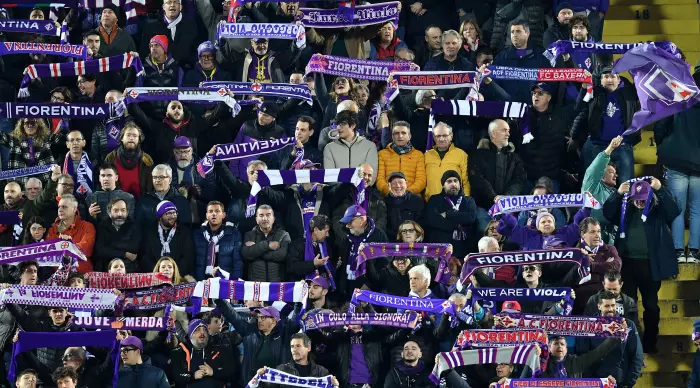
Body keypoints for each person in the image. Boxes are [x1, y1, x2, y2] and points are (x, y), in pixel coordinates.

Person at [603, 178, 681, 353]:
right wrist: (617, 194)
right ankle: (632, 344)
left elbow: (674, 210)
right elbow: (607, 213)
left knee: (651, 306)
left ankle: (650, 343)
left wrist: (660, 189)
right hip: (628, 265)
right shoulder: (625, 209)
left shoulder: (658, 210)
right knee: (629, 306)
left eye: (643, 198)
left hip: (651, 266)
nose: (639, 201)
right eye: (636, 198)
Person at [654, 71, 700, 263]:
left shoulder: (676, 98)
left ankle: (679, 251)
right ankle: (696, 252)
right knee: (697, 209)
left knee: (678, 208)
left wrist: (663, 144)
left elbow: (660, 125)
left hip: (676, 161)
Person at [574, 66, 640, 185]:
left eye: (613, 76)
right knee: (589, 185)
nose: (609, 80)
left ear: (619, 79)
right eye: (606, 77)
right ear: (600, 80)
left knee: (626, 187)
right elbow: (578, 108)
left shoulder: (629, 92)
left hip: (622, 146)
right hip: (597, 145)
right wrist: (584, 88)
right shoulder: (594, 91)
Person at [213, 302, 301, 385]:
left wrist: (299, 299)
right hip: (252, 384)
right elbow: (232, 315)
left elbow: (296, 317)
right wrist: (218, 296)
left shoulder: (285, 334)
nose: (259, 320)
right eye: (258, 317)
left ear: (274, 320)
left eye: (263, 317)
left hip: (277, 384)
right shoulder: (250, 332)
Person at [575, 291, 643, 387]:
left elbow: (637, 356)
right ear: (599, 306)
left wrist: (628, 383)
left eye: (613, 305)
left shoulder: (629, 325)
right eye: (607, 306)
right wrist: (593, 382)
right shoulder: (588, 325)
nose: (611, 309)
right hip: (594, 383)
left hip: (621, 383)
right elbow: (583, 356)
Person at [469, 119, 526, 232]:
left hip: (507, 209)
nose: (508, 134)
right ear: (494, 133)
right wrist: (494, 197)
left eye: (508, 131)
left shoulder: (515, 157)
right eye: (504, 130)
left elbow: (519, 180)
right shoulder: (478, 155)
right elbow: (477, 179)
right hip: (484, 209)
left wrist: (505, 198)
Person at [492, 20, 551, 103]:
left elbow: (549, 82)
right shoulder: (502, 57)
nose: (514, 35)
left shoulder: (540, 55)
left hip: (533, 108)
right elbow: (495, 82)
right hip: (508, 107)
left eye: (518, 31)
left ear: (527, 34)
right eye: (512, 32)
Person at [424, 170, 476, 259]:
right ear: (443, 185)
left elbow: (470, 217)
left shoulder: (468, 200)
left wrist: (448, 214)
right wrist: (457, 224)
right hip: (440, 249)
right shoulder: (435, 199)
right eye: (449, 181)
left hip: (464, 249)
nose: (453, 184)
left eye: (456, 181)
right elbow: (432, 219)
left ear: (460, 184)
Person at [169, 319, 235, 387]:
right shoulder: (179, 351)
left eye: (205, 329)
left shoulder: (217, 348)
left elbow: (230, 372)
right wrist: (192, 376)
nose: (202, 332)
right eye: (197, 330)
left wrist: (213, 372)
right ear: (190, 334)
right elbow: (176, 376)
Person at [255, 333, 339, 384]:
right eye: (292, 346)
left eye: (298, 346)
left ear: (308, 348)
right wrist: (261, 378)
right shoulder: (281, 370)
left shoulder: (322, 372)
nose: (294, 350)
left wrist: (335, 386)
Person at [582, 136, 621, 245]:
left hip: (610, 243)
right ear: (601, 175)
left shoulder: (615, 193)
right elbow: (593, 171)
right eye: (611, 172)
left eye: (615, 172)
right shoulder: (592, 187)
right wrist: (610, 149)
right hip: (591, 241)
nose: (616, 175)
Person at [141, 201, 195, 277]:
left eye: (174, 213)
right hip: (154, 277)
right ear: (160, 216)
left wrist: (174, 274)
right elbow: (145, 257)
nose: (173, 216)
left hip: (178, 277)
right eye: (168, 213)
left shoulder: (185, 232)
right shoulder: (149, 232)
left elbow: (188, 258)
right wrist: (157, 274)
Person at [139, 0, 198, 69]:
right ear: (163, 7)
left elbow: (195, 52)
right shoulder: (151, 27)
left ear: (181, 7)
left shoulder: (191, 26)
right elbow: (144, 54)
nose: (172, 5)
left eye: (176, 2)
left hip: (185, 71)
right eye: (169, 2)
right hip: (159, 73)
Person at [103, 123, 155, 200]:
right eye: (128, 135)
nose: (131, 138)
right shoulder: (111, 158)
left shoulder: (147, 159)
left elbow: (150, 186)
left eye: (135, 136)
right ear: (121, 138)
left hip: (141, 203)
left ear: (139, 139)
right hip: (116, 203)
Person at [46, 194, 96, 273]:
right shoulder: (53, 229)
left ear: (74, 209)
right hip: (57, 278)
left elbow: (85, 250)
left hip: (81, 277)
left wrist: (65, 244)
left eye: (64, 207)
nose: (60, 210)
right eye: (59, 207)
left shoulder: (87, 227)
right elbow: (49, 251)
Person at [194, 201, 242, 280]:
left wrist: (235, 281)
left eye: (217, 211)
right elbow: (193, 260)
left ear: (223, 215)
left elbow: (237, 262)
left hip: (225, 282)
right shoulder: (198, 234)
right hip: (202, 281)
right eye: (210, 211)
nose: (214, 214)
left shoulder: (234, 234)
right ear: (207, 215)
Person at [242, 205, 291, 282]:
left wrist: (257, 251)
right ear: (256, 219)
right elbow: (246, 254)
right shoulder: (249, 235)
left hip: (277, 284)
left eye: (268, 215)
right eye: (261, 215)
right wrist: (267, 245)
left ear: (273, 219)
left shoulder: (283, 235)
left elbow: (282, 255)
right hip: (256, 284)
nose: (264, 218)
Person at [377, 121, 427, 196]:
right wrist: (389, 192)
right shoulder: (382, 154)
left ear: (409, 136)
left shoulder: (419, 155)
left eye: (403, 133)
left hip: (411, 196)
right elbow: (380, 179)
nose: (400, 136)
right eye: (396, 133)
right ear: (392, 137)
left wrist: (406, 193)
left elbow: (421, 180)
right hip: (388, 196)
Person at [323, 110, 379, 174]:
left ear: (353, 125)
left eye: (342, 124)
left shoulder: (370, 146)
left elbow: (371, 175)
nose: (338, 127)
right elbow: (329, 176)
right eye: (337, 124)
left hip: (362, 184)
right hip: (337, 184)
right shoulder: (329, 148)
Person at [94, 198, 141, 272]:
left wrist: (109, 245)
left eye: (123, 210)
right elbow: (100, 250)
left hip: (129, 270)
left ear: (127, 212)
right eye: (116, 210)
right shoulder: (102, 226)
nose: (119, 214)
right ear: (109, 213)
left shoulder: (134, 226)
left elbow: (134, 247)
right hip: (106, 270)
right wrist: (125, 254)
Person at [424, 122, 469, 200]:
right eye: (438, 136)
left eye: (445, 135)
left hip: (455, 201)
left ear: (451, 136)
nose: (441, 139)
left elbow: (465, 182)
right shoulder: (426, 155)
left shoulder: (461, 154)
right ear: (434, 138)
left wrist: (465, 200)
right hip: (431, 202)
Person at [542, 335, 620, 378]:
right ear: (549, 348)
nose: (559, 346)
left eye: (562, 344)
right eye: (556, 344)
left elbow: (598, 352)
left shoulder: (576, 361)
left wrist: (615, 337)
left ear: (566, 349)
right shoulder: (541, 362)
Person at [384, 172, 425, 240]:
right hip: (390, 242)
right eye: (394, 183)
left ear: (406, 184)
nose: (398, 185)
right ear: (389, 186)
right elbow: (383, 225)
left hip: (412, 241)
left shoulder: (417, 201)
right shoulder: (383, 202)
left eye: (400, 182)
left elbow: (421, 223)